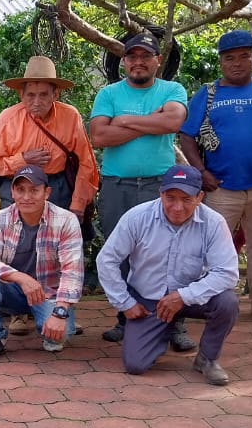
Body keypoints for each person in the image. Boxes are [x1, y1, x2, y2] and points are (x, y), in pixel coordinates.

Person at [178, 30, 252, 320]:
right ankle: (210, 302)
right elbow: (187, 136)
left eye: (244, 56)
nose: (237, 63)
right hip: (220, 188)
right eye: (230, 58)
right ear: (221, 62)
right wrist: (201, 171)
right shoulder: (207, 94)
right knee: (211, 247)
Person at [89, 33, 192, 348]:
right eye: (132, 56)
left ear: (157, 60)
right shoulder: (109, 93)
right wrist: (151, 122)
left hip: (159, 186)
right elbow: (99, 136)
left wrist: (125, 121)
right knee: (119, 253)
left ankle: (174, 324)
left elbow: (173, 122)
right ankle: (126, 318)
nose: (138, 62)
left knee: (167, 253)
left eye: (145, 56)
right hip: (116, 186)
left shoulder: (172, 90)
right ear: (124, 61)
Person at [0, 56, 99, 337]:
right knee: (17, 246)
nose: (36, 101)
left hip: (57, 186)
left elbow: (86, 163)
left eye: (44, 94)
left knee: (59, 250)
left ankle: (60, 307)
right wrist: (23, 159)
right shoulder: (8, 117)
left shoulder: (70, 116)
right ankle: (19, 313)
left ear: (55, 94)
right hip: (18, 186)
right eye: (30, 95)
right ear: (21, 94)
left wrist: (77, 205)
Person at [96, 165, 239, 385]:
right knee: (136, 365)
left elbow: (227, 273)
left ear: (199, 197)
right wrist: (125, 303)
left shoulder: (214, 222)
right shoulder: (137, 217)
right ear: (160, 194)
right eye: (170, 198)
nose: (177, 207)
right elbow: (106, 260)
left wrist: (183, 296)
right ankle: (162, 329)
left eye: (186, 199)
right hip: (148, 300)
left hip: (191, 297)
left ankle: (207, 358)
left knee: (227, 302)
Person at [0, 165, 83, 362]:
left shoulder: (66, 220)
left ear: (47, 193)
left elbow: (72, 272)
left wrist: (60, 312)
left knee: (61, 335)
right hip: (12, 290)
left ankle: (53, 323)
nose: (26, 197)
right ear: (12, 192)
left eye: (34, 190)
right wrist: (21, 278)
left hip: (48, 294)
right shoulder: (1, 218)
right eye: (20, 190)